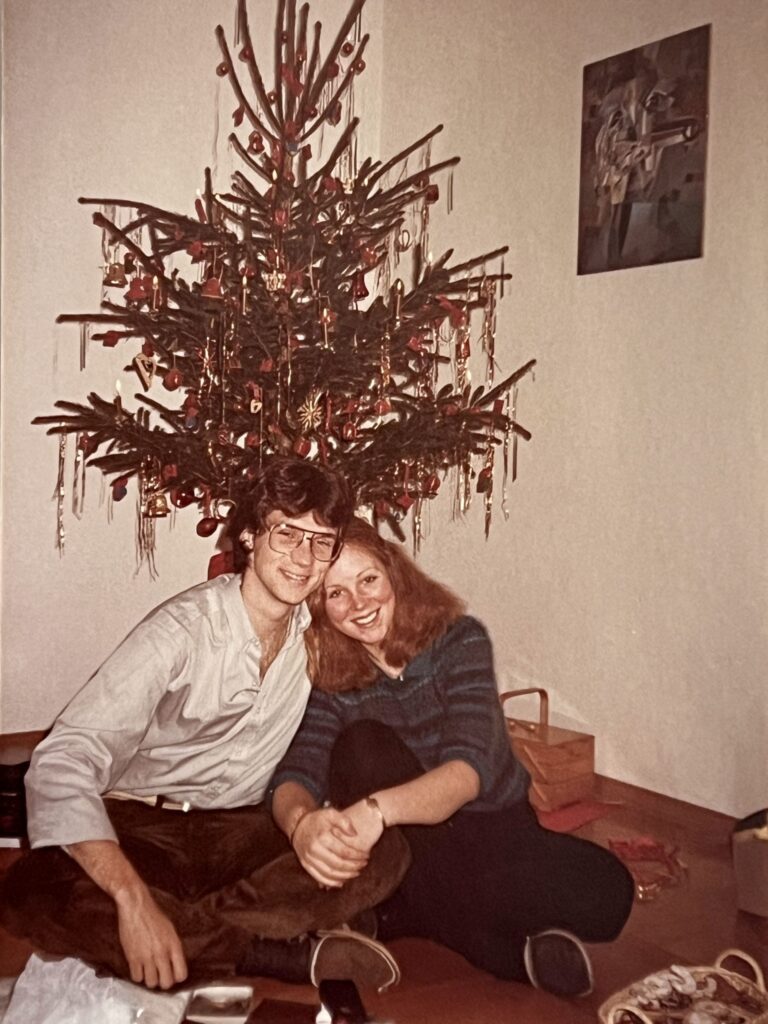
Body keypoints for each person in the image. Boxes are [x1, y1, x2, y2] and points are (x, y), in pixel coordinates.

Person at [0, 460, 408, 994]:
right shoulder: (180, 631)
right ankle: (269, 947)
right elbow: (62, 760)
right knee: (30, 892)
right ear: (249, 535)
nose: (304, 558)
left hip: (243, 831)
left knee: (382, 850)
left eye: (321, 541)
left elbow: (395, 665)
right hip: (140, 826)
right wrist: (131, 898)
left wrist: (319, 824)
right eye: (287, 533)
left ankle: (193, 936)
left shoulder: (319, 633)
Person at [270, 517, 635, 999]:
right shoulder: (333, 677)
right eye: (336, 594)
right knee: (363, 744)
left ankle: (417, 915)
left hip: (493, 831)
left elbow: (467, 775)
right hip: (410, 849)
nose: (358, 604)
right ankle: (491, 946)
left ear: (394, 573)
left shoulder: (459, 639)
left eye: (368, 580)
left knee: (609, 892)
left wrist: (376, 811)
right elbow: (297, 772)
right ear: (320, 606)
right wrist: (300, 824)